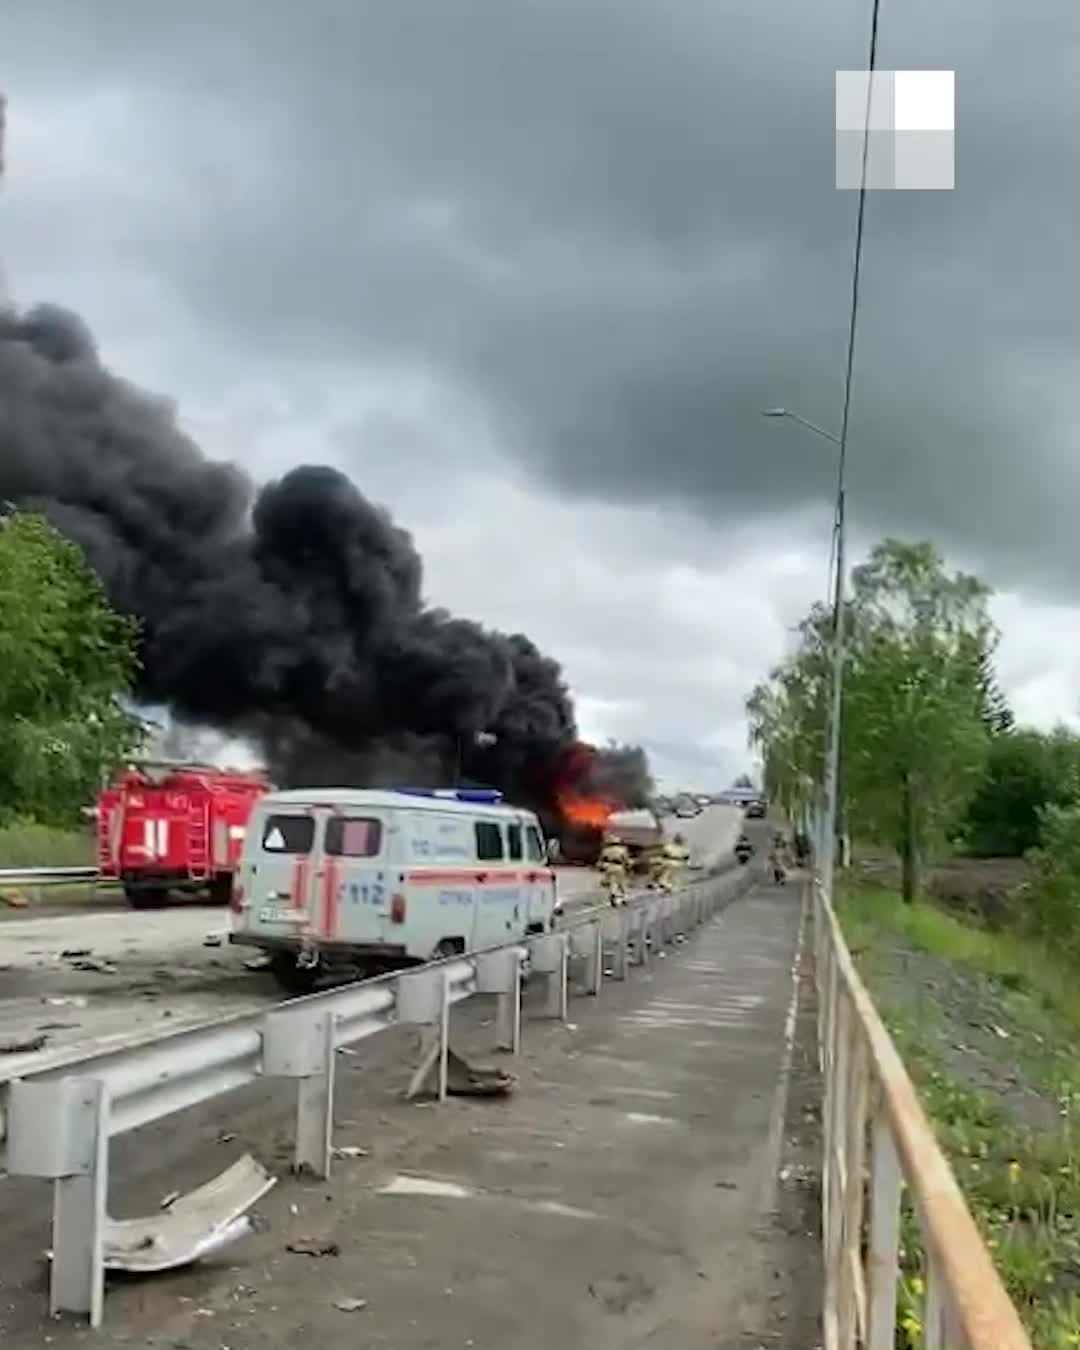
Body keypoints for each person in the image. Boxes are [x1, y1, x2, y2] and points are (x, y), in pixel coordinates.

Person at [596, 836, 630, 905]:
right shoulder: (622, 850)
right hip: (619, 867)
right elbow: (626, 860)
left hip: (609, 867)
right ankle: (624, 897)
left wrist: (600, 867)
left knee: (612, 882)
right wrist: (628, 867)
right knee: (621, 883)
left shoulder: (606, 850)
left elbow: (601, 860)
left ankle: (613, 893)